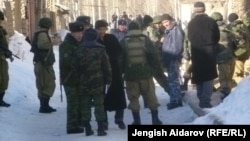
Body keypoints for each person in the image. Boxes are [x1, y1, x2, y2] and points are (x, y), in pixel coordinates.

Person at [120, 21, 162, 125]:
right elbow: (154, 55)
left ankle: (137, 121)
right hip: (146, 74)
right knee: (151, 97)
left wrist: (122, 73)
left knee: (133, 99)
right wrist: (153, 69)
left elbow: (119, 60)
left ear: (128, 29)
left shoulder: (123, 41)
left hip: (131, 76)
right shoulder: (145, 40)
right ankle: (155, 120)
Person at [72, 28, 112, 136]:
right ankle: (100, 128)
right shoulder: (101, 49)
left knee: (85, 105)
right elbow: (106, 66)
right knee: (99, 105)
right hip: (98, 81)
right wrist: (108, 79)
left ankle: (88, 128)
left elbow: (75, 67)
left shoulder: (79, 49)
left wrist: (76, 80)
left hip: (83, 81)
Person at [95, 19, 127, 130]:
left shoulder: (111, 38)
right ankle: (104, 121)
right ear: (96, 30)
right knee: (101, 95)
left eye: (104, 29)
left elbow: (119, 51)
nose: (102, 31)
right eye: (99, 29)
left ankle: (119, 118)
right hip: (100, 71)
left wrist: (109, 57)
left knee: (118, 93)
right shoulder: (94, 40)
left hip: (114, 69)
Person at [187, 1, 220, 108]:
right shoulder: (211, 21)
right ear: (204, 9)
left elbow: (189, 38)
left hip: (196, 52)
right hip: (209, 52)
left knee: (199, 76)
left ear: (195, 10)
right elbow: (216, 37)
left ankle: (200, 97)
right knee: (208, 78)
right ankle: (205, 101)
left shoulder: (191, 23)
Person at [59, 21, 84, 134]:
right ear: (72, 33)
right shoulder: (66, 45)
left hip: (78, 78)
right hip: (70, 79)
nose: (79, 35)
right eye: (77, 33)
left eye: (81, 32)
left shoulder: (78, 44)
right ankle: (71, 126)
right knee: (73, 103)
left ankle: (78, 122)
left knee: (79, 102)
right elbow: (67, 62)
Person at [31, 17, 56, 113]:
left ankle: (44, 106)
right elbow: (42, 45)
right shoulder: (42, 34)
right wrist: (52, 43)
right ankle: (44, 106)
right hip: (43, 63)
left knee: (43, 84)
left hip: (42, 62)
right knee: (48, 83)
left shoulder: (40, 33)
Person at [161, 14, 184, 110]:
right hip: (169, 58)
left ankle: (175, 101)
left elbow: (177, 46)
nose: (165, 24)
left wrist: (171, 57)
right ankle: (176, 99)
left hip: (172, 58)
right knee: (173, 80)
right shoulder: (169, 30)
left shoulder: (175, 30)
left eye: (166, 21)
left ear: (170, 20)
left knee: (173, 81)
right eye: (163, 22)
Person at [210, 12, 235, 100]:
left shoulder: (214, 30)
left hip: (221, 57)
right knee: (228, 75)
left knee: (223, 76)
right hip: (231, 55)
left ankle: (226, 93)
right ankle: (227, 90)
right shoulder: (228, 28)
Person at [0, 11, 12, 107]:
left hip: (2, 57)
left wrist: (7, 52)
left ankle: (1, 100)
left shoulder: (1, 30)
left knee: (4, 79)